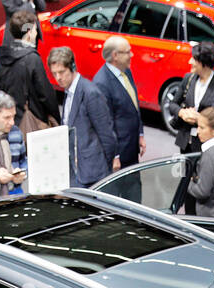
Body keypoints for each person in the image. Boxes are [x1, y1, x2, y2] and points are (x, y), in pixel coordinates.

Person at [47, 47, 114, 189]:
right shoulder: (69, 91)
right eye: (54, 73)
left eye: (61, 72)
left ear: (72, 67)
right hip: (78, 170)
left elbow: (106, 134)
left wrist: (106, 168)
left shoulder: (90, 93)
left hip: (94, 173)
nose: (58, 77)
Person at [0, 11, 59, 133]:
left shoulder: (3, 56)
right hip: (31, 122)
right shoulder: (32, 59)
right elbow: (45, 95)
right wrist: (56, 117)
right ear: (29, 32)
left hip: (10, 121)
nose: (36, 33)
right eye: (35, 30)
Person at [93, 36, 145, 172]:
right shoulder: (101, 83)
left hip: (131, 146)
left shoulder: (126, 71)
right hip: (119, 154)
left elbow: (134, 105)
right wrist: (114, 155)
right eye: (127, 52)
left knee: (134, 188)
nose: (131, 55)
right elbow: (105, 123)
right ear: (115, 55)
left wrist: (140, 134)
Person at [173, 42, 214, 156]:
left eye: (194, 59)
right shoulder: (188, 78)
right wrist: (181, 112)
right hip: (185, 140)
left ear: (204, 63)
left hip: (206, 143)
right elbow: (173, 104)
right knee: (185, 172)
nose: (190, 62)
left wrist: (200, 118)